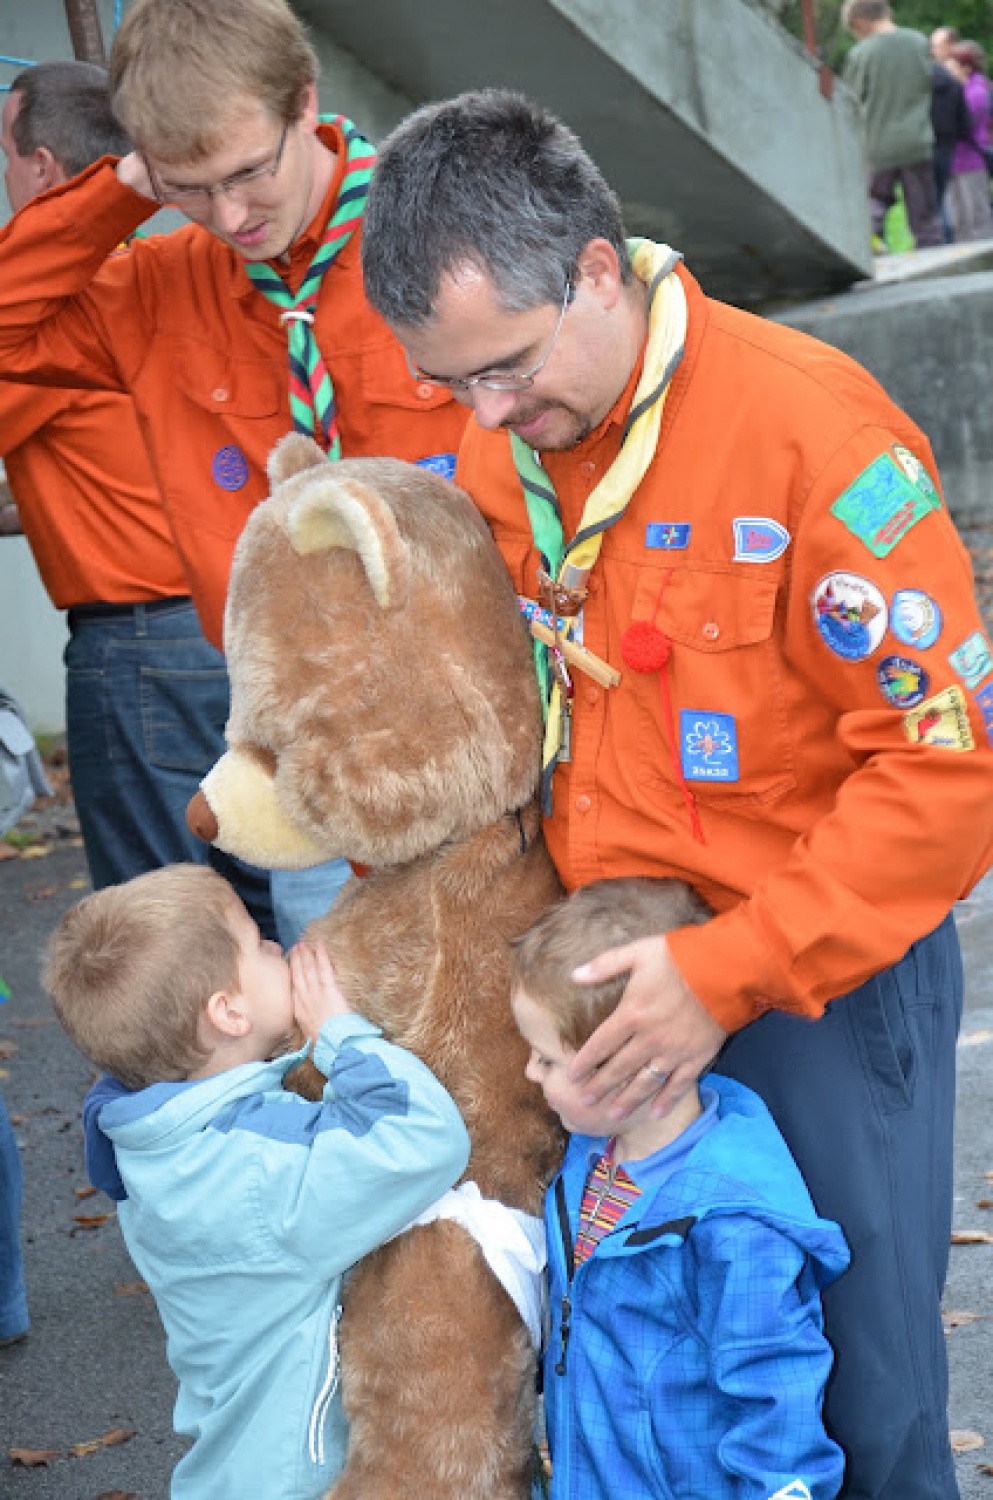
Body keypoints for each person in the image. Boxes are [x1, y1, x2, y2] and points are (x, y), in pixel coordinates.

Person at [360, 88, 993, 1499]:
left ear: (597, 267)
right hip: (598, 994)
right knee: (644, 1384)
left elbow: (946, 776)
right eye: (454, 384)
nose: (490, 415)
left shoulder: (813, 438)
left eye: (509, 367)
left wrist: (728, 972)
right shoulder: (504, 441)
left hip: (807, 986)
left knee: (848, 1391)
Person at [0, 0, 468, 948]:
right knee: (340, 1041)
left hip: (477, 726)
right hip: (306, 761)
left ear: (306, 101)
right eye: (189, 186)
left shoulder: (440, 226)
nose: (231, 215)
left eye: (250, 171)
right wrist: (124, 189)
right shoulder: (157, 284)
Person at [44, 862, 470, 1499]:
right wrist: (340, 1036)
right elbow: (427, 1139)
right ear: (228, 1013)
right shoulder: (258, 1166)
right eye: (257, 943)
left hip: (232, 1466)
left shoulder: (151, 1141)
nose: (277, 945)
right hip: (304, 1476)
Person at [0, 60, 273, 931]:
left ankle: (191, 1074)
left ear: (42, 169)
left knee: (162, 928)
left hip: (145, 645)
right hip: (240, 626)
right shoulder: (172, 270)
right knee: (264, 899)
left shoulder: (79, 298)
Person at [511, 876, 850, 1500]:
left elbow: (777, 1402)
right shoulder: (587, 1160)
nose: (529, 1072)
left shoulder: (734, 1227)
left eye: (549, 1059)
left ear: (633, 1066)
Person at [841, 0, 943, 250]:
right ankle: (934, 263)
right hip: (918, 140)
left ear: (860, 23)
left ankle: (870, 252)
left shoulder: (862, 53)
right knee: (925, 216)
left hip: (877, 145)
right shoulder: (919, 42)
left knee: (874, 206)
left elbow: (849, 101)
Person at [944, 41, 993, 242]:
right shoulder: (960, 88)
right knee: (958, 220)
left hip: (971, 162)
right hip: (955, 162)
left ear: (966, 68)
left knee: (977, 217)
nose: (948, 71)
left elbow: (965, 125)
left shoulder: (977, 92)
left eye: (952, 67)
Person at [930, 56, 972, 236]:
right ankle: (946, 239)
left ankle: (937, 241)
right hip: (947, 146)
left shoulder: (919, 84)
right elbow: (966, 124)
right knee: (941, 198)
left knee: (930, 202)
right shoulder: (954, 84)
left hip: (924, 144)